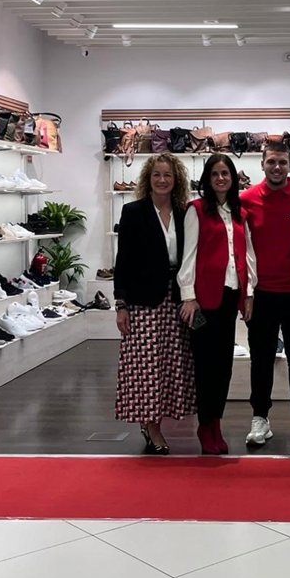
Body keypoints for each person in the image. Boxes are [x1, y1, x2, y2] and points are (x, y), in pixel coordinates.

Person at [240, 140, 290, 448]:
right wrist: (245, 294)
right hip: (261, 296)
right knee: (261, 360)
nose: (277, 167)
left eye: (282, 162)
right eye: (271, 161)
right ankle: (260, 417)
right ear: (262, 163)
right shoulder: (246, 199)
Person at [113, 154, 195, 455]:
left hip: (177, 297)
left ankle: (159, 419)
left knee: (171, 364)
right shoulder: (133, 211)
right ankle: (151, 426)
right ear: (148, 178)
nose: (162, 180)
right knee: (146, 366)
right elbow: (123, 260)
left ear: (176, 180)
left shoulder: (184, 212)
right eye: (157, 174)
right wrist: (121, 303)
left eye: (168, 175)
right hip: (143, 300)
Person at [178, 153, 256, 455]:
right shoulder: (196, 210)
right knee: (205, 366)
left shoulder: (240, 213)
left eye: (225, 173)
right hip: (203, 301)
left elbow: (248, 255)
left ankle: (216, 423)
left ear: (233, 178)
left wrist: (249, 293)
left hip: (229, 298)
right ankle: (205, 423)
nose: (221, 178)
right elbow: (189, 254)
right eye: (215, 174)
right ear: (207, 179)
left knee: (223, 366)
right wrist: (188, 295)